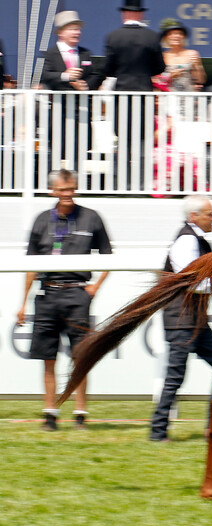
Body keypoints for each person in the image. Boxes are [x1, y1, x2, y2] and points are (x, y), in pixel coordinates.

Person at [17, 169, 112, 431]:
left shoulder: (91, 218)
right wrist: (23, 302)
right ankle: (50, 414)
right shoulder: (40, 221)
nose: (68, 194)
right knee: (48, 358)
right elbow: (30, 265)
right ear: (52, 191)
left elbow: (109, 257)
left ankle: (80, 413)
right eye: (62, 190)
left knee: (80, 357)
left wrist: (95, 287)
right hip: (47, 294)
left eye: (71, 189)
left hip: (77, 294)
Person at [151, 195, 212, 442]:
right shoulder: (186, 240)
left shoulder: (196, 239)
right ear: (194, 216)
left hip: (194, 320)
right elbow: (190, 281)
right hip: (182, 320)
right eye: (210, 213)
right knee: (175, 376)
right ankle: (158, 432)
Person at [103, 0, 166, 91]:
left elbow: (108, 68)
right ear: (141, 15)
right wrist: (146, 73)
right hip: (144, 90)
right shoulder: (153, 36)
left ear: (124, 14)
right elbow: (160, 67)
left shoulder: (113, 36)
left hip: (121, 91)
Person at [41, 11, 103, 91]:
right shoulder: (50, 54)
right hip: (58, 101)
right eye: (72, 29)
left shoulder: (85, 53)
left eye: (78, 29)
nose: (77, 33)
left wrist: (85, 85)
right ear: (60, 33)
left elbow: (95, 75)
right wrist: (65, 75)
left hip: (82, 101)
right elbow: (44, 75)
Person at [153, 19, 206, 92]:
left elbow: (201, 80)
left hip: (187, 96)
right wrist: (170, 76)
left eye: (180, 33)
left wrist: (196, 66)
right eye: (171, 34)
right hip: (167, 96)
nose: (176, 36)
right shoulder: (162, 56)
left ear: (184, 37)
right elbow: (155, 80)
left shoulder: (192, 53)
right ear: (166, 37)